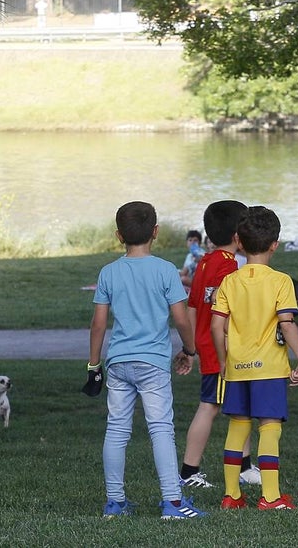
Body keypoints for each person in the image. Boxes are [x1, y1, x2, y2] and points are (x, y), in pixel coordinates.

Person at [87, 201, 206, 520]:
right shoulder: (166, 270)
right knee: (161, 429)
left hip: (118, 363)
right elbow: (181, 320)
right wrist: (189, 350)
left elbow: (99, 324)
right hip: (153, 363)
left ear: (118, 236)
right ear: (155, 232)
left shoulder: (109, 272)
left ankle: (115, 503)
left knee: (116, 430)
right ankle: (172, 502)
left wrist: (94, 364)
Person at [211, 205, 298, 510]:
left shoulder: (230, 282)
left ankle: (232, 495)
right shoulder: (281, 282)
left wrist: (223, 360)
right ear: (275, 244)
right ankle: (269, 497)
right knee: (269, 427)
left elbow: (217, 325)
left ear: (239, 241)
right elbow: (286, 323)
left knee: (237, 427)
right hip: (269, 368)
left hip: (237, 366)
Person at [177, 200, 262, 490]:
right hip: (223, 349)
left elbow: (192, 306)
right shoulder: (230, 269)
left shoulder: (204, 262)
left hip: (208, 344)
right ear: (239, 234)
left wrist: (192, 346)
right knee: (210, 406)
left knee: (240, 407)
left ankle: (245, 466)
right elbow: (228, 316)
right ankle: (189, 471)